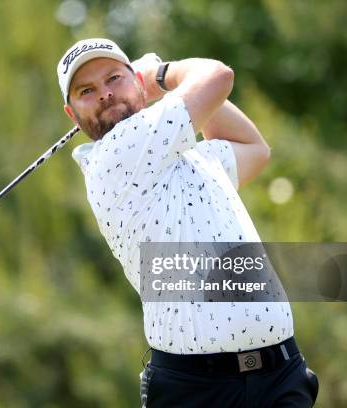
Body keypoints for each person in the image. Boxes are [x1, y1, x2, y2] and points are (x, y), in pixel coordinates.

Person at [57, 38, 319, 407]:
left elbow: (254, 149)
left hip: (280, 374)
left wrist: (166, 86)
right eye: (87, 90)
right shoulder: (115, 157)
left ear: (134, 81)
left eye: (114, 78)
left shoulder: (189, 160)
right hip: (199, 389)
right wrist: (163, 75)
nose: (105, 94)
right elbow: (217, 76)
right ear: (72, 114)